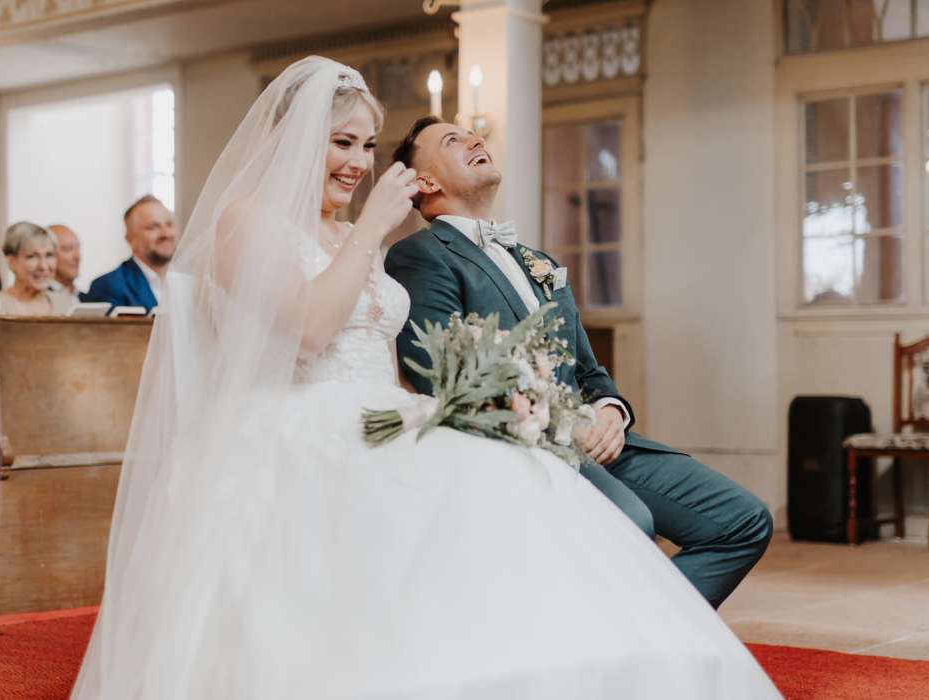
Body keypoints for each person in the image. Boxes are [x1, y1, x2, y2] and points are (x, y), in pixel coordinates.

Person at [71, 57, 780, 699]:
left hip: (386, 410)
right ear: (293, 140)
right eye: (341, 142)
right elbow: (310, 330)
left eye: (366, 145)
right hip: (294, 421)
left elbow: (386, 355)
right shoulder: (247, 219)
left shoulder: (351, 235)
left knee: (514, 490)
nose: (358, 162)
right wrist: (372, 228)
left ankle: (589, 661)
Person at [386, 116, 773, 611]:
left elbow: (587, 370)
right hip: (523, 449)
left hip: (602, 444)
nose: (475, 139)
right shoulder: (420, 256)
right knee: (631, 526)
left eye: (472, 133)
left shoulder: (537, 261)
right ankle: (624, 645)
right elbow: (441, 374)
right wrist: (561, 425)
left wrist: (610, 410)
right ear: (425, 183)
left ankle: (636, 639)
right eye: (452, 140)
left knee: (743, 521)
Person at [83, 196, 178, 311]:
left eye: (169, 224)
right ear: (130, 239)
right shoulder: (109, 287)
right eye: (153, 227)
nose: (166, 234)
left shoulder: (188, 284)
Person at [0, 222, 75, 316]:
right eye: (32, 256)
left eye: (49, 255)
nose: (43, 266)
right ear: (11, 261)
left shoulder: (65, 305)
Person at [48, 223, 83, 299]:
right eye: (68, 249)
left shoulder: (90, 298)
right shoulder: (37, 299)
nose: (77, 256)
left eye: (78, 248)